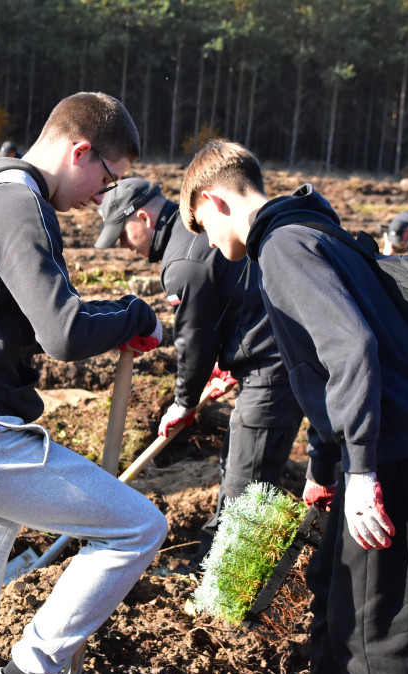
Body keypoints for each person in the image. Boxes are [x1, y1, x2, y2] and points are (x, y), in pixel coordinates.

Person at [0, 92, 168, 674]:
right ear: (80, 150)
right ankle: (29, 673)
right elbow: (64, 332)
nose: (104, 195)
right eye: (107, 176)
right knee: (138, 527)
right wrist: (135, 315)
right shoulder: (17, 203)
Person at [179, 139, 408, 674]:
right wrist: (323, 468)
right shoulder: (310, 227)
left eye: (201, 225)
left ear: (215, 201)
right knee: (335, 596)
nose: (210, 243)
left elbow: (351, 348)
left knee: (374, 638)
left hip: (394, 447)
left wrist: (360, 470)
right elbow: (320, 372)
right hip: (399, 436)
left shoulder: (283, 247)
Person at [96, 178, 302, 570]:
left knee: (249, 478)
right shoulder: (193, 235)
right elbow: (236, 297)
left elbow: (194, 340)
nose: (123, 246)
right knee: (241, 466)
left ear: (143, 216)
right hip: (269, 353)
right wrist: (230, 362)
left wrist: (183, 402)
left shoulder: (184, 260)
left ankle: (228, 591)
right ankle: (214, 567)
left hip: (274, 364)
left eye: (122, 235)